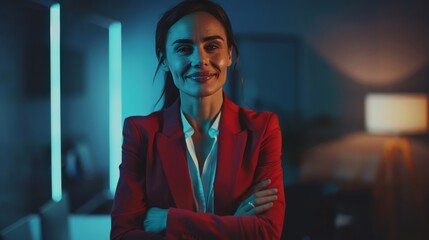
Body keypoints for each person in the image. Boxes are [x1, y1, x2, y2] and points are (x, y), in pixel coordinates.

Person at [111, 0, 285, 239]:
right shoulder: (141, 133)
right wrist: (233, 225)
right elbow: (122, 235)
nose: (200, 60)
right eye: (183, 49)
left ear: (230, 55)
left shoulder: (262, 129)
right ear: (164, 60)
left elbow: (267, 232)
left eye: (212, 46)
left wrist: (171, 220)